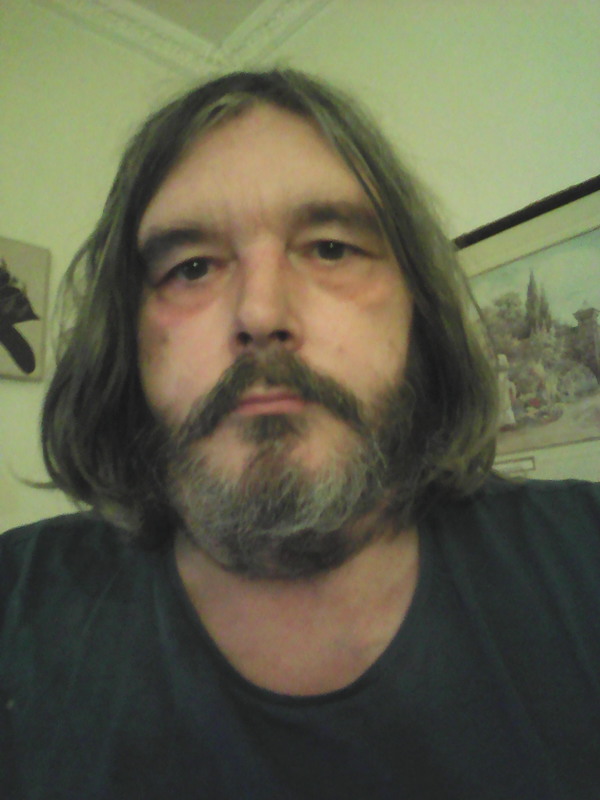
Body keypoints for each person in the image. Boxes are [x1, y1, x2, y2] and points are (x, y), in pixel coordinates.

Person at [1, 69, 599, 800]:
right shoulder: (15, 607)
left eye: (331, 248)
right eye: (192, 267)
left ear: (417, 313)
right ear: (128, 340)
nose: (260, 312)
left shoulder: (585, 556)